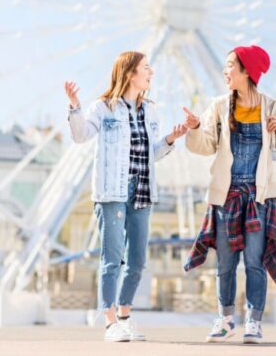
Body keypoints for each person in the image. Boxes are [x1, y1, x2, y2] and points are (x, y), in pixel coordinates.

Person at [65, 51, 187, 342]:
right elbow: (81, 135)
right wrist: (74, 107)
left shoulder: (151, 111)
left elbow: (150, 155)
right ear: (130, 73)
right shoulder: (104, 107)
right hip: (112, 191)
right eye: (146, 68)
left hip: (142, 189)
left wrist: (171, 139)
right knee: (112, 258)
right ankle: (109, 323)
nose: (151, 73)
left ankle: (124, 316)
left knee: (137, 261)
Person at [183, 45, 276, 344]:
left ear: (247, 71)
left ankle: (254, 322)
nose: (225, 70)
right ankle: (225, 319)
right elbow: (204, 146)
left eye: (231, 65)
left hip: (259, 196)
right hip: (227, 194)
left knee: (255, 262)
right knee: (226, 263)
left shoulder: (272, 106)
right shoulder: (218, 106)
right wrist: (194, 128)